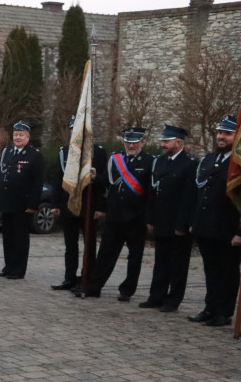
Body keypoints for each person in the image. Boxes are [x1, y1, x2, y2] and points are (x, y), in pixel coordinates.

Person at [77, 127, 154, 301]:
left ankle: (127, 290)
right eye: (128, 142)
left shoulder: (149, 161)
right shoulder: (115, 158)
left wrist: (149, 217)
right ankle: (94, 287)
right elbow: (107, 184)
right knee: (105, 253)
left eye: (134, 142)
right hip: (115, 215)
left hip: (136, 216)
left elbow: (150, 193)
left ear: (142, 142)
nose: (131, 145)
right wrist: (97, 177)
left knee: (134, 256)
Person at [188, 116, 241, 327]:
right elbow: (199, 194)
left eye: (227, 133)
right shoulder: (208, 160)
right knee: (210, 270)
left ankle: (224, 312)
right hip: (206, 226)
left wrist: (240, 232)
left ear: (235, 137)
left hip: (227, 228)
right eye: (219, 132)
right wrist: (194, 222)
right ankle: (210, 308)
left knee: (228, 272)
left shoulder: (237, 164)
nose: (221, 136)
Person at [140, 124, 196, 312]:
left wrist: (182, 224)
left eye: (166, 141)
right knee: (161, 261)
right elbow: (152, 191)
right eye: (162, 141)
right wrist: (150, 217)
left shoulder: (190, 164)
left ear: (178, 142)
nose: (163, 144)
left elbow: (189, 197)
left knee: (178, 264)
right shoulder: (160, 162)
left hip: (177, 222)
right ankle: (156, 296)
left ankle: (173, 300)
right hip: (161, 220)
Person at [50, 116, 108, 292]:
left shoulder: (98, 152)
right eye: (73, 130)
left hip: (90, 206)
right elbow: (57, 180)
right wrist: (55, 204)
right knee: (70, 245)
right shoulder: (65, 152)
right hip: (69, 204)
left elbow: (105, 182)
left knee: (89, 244)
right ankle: (69, 278)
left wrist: (101, 207)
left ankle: (87, 278)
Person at [0, 120, 44, 280]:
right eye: (16, 134)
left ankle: (18, 269)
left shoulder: (34, 155)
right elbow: (3, 175)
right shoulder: (7, 151)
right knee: (8, 237)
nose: (17, 137)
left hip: (23, 204)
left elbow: (38, 182)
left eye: (21, 135)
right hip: (7, 201)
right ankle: (8, 266)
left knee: (20, 238)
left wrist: (33, 204)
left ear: (28, 137)